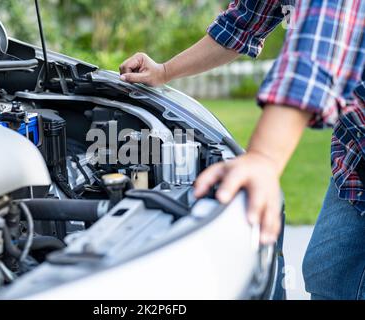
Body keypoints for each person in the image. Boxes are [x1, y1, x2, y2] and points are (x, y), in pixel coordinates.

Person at [119, 0, 365, 300]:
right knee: (330, 274)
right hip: (355, 156)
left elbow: (320, 45)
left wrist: (264, 157)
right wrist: (164, 71)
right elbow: (240, 25)